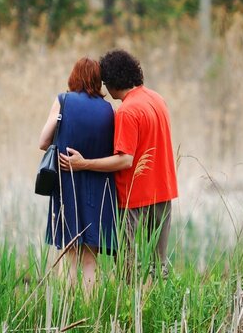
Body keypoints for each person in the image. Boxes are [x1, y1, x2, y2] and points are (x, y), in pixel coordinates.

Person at [59, 49, 178, 279]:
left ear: (113, 82)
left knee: (129, 268)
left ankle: (131, 310)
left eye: (105, 83)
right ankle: (156, 308)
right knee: (158, 266)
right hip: (164, 192)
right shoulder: (157, 99)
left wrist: (84, 164)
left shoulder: (127, 111)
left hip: (135, 198)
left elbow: (125, 159)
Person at [38, 57, 118, 293]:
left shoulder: (63, 101)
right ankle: (90, 312)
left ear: (74, 76)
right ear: (98, 80)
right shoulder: (109, 110)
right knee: (90, 257)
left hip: (68, 184)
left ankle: (67, 312)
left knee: (69, 251)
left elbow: (43, 142)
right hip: (100, 188)